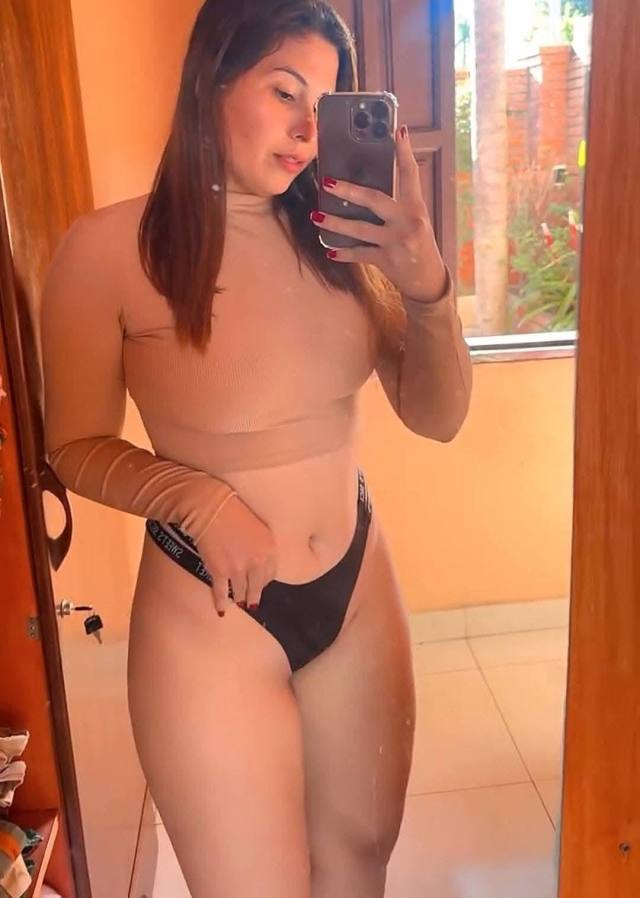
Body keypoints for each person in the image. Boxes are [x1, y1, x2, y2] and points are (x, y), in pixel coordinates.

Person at [40, 1, 472, 896]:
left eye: (327, 102)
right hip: (212, 617)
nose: (309, 129)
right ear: (213, 79)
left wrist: (427, 283)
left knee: (358, 865)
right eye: (285, 92)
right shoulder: (108, 250)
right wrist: (197, 499)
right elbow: (73, 445)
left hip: (357, 589)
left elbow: (438, 418)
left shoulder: (345, 242)